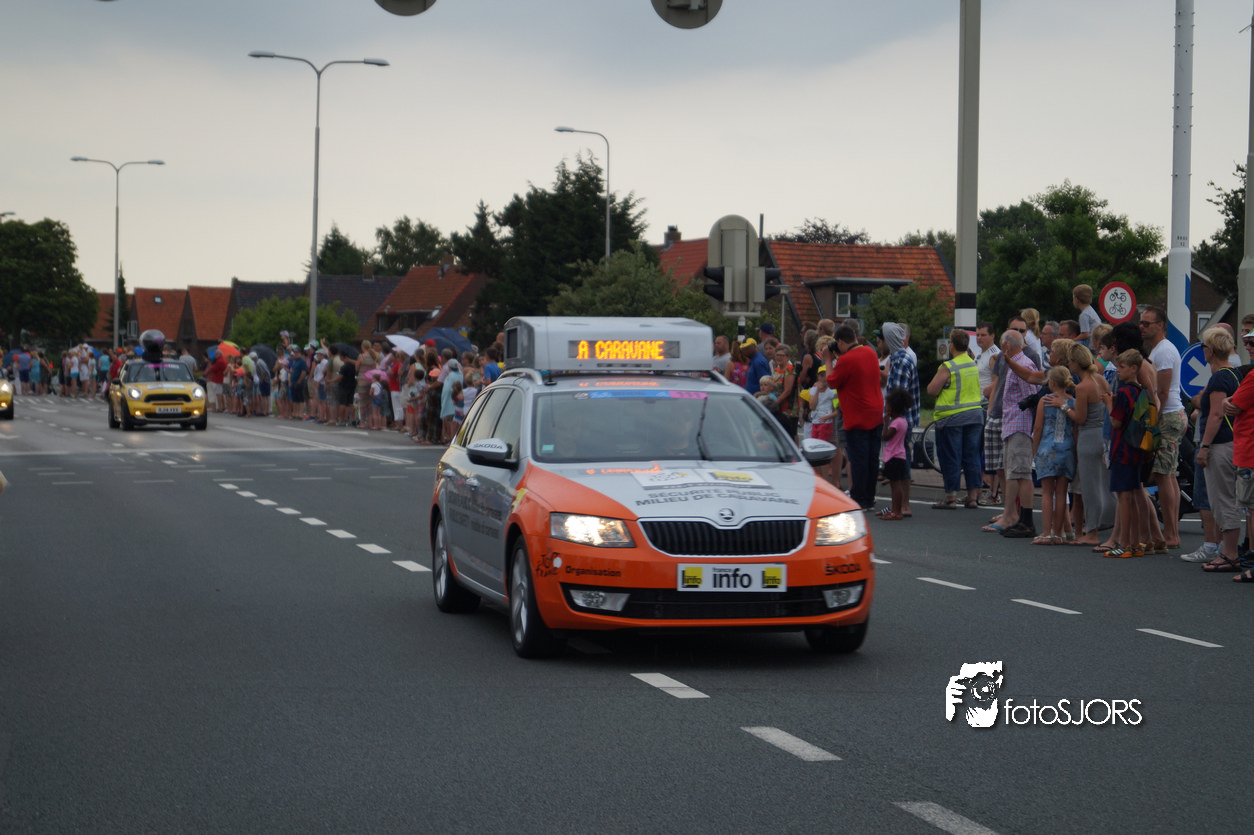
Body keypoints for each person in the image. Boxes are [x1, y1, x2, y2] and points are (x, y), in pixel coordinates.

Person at [1194, 327, 1244, 572]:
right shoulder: (1234, 374)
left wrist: (1204, 447)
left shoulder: (1219, 378)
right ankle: (1228, 550)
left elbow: (1216, 414)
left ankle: (1230, 553)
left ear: (1211, 351)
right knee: (1228, 497)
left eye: (1204, 347)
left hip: (1221, 444)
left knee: (1222, 499)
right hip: (1232, 442)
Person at [825, 324, 884, 511]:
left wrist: (828, 360)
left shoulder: (846, 360)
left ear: (840, 342)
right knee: (872, 459)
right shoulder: (870, 352)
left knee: (858, 460)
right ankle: (869, 499)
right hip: (876, 412)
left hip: (857, 416)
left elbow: (831, 381)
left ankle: (859, 500)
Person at [1140, 305, 1184, 550]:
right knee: (1168, 475)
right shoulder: (1159, 349)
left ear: (1160, 326)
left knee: (1163, 474)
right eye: (1141, 323)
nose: (1142, 327)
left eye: (1147, 323)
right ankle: (1171, 531)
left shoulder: (1164, 351)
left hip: (1167, 414)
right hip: (1168, 413)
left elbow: (1163, 391)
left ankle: (1171, 533)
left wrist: (1154, 421)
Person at [1061, 342, 1113, 546]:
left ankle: (1092, 532)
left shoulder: (1083, 387)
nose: (1068, 365)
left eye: (1070, 361)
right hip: (1103, 435)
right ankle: (1106, 524)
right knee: (1104, 486)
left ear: (1076, 362)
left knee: (1090, 489)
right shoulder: (1100, 379)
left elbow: (1080, 418)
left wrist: (1064, 407)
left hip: (1088, 438)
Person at [927, 329, 984, 510]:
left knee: (951, 457)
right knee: (972, 457)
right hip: (975, 416)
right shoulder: (973, 364)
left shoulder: (948, 367)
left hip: (952, 418)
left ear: (951, 345)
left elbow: (932, 390)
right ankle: (973, 498)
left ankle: (950, 498)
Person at [1102, 350, 1149, 558]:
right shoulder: (1141, 391)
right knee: (1133, 495)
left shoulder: (1123, 392)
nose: (1118, 371)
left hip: (1122, 448)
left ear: (1133, 368)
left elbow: (1116, 422)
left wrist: (1109, 403)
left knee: (1123, 497)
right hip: (1138, 448)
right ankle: (1135, 543)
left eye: (1122, 367)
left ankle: (1124, 544)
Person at [996, 329, 1039, 538]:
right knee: (1015, 472)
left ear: (1007, 345)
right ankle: (1020, 518)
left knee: (1022, 473)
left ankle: (1027, 521)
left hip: (1021, 425)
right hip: (1013, 424)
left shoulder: (1023, 364)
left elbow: (1031, 397)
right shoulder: (1015, 363)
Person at [1031, 366, 1077, 544]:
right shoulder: (1072, 402)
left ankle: (1046, 532)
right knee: (1062, 492)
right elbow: (1075, 429)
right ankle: (1058, 533)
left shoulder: (1045, 400)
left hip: (1047, 448)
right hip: (1066, 449)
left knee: (1047, 493)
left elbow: (1038, 427)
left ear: (1051, 382)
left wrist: (1034, 451)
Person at [878, 388, 913, 520]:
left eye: (887, 405)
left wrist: (885, 422)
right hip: (900, 456)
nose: (886, 407)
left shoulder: (895, 423)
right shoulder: (903, 421)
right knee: (895, 484)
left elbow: (885, 436)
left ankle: (896, 512)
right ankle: (895, 510)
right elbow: (905, 436)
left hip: (894, 457)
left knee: (895, 485)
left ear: (893, 407)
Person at [1073, 283, 1101, 348]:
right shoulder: (1090, 310)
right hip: (1097, 340)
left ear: (1076, 300)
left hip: (1091, 343)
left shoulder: (1084, 315)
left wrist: (1072, 340)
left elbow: (1085, 334)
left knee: (1072, 345)